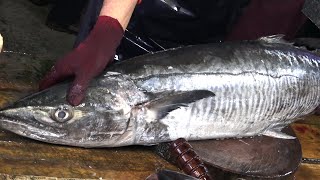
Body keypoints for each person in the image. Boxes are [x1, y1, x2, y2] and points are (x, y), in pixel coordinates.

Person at [39, 0, 307, 106]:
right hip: (130, 21)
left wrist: (248, 66)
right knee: (87, 107)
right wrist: (106, 33)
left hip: (210, 34)